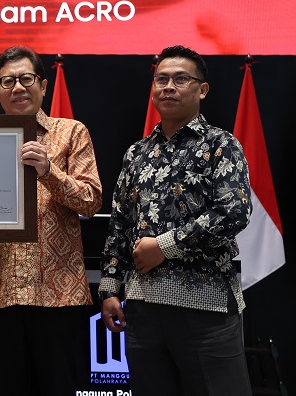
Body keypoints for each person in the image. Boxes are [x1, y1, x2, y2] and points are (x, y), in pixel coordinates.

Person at [99, 45, 253, 396]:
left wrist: (164, 247)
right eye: (161, 79)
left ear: (202, 89)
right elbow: (120, 222)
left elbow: (233, 212)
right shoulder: (136, 152)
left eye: (180, 79)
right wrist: (109, 288)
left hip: (206, 308)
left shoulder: (220, 145)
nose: (168, 86)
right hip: (143, 310)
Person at [0, 45, 103, 395]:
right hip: (1, 293)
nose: (18, 87)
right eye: (8, 81)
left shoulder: (72, 132)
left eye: (26, 79)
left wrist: (49, 171)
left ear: (43, 86)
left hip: (58, 297)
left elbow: (91, 201)